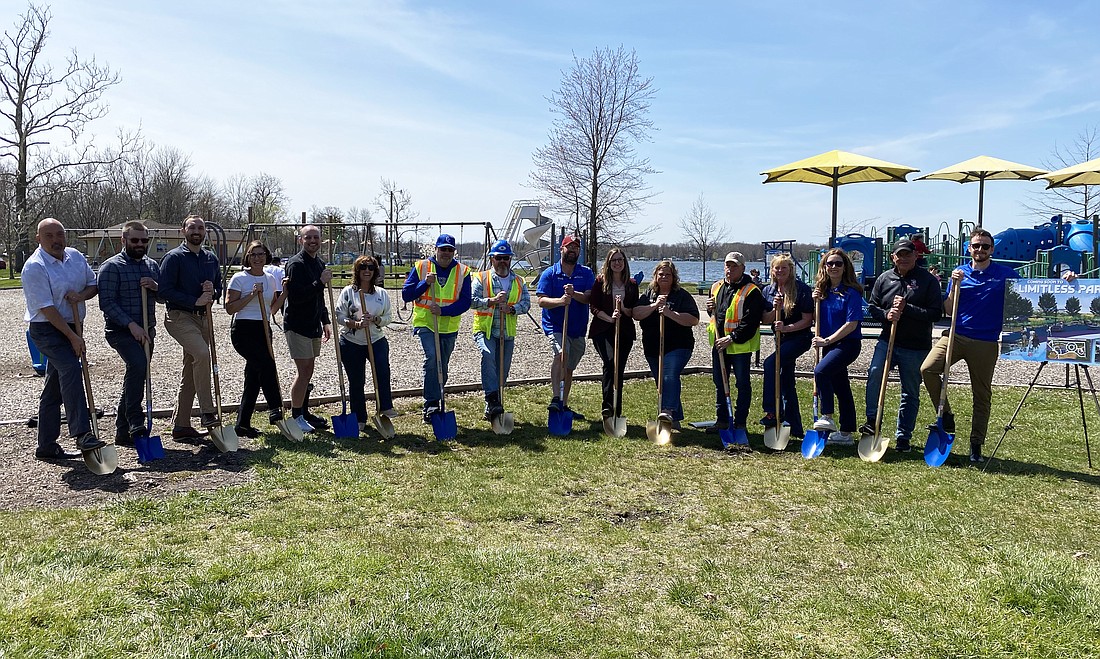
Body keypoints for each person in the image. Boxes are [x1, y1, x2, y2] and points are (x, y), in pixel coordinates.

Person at [919, 228, 1076, 463]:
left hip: (986, 341)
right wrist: (954, 286)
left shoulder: (1005, 274)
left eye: (984, 246)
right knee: (927, 369)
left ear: (992, 249)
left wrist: (1062, 281)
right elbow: (949, 310)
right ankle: (947, 415)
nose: (980, 250)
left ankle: (976, 445)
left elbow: (1034, 289)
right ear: (969, 249)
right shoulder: (959, 273)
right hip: (956, 335)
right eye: (976, 246)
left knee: (981, 394)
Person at [22, 218, 102, 459]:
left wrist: (80, 296)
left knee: (53, 389)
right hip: (46, 328)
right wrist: (72, 338)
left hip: (73, 323)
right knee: (70, 368)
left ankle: (46, 446)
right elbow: (46, 309)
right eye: (49, 236)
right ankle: (82, 433)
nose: (56, 240)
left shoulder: (76, 257)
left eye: (60, 234)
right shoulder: (34, 267)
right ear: (38, 239)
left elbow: (93, 285)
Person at [862, 238, 942, 453]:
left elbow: (936, 313)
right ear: (893, 257)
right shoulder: (884, 278)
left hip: (915, 346)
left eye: (908, 254)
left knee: (910, 392)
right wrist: (887, 315)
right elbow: (872, 306)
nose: (904, 258)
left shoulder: (928, 281)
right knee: (875, 375)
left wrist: (907, 309)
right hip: (888, 340)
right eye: (900, 254)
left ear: (916, 256)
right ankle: (872, 421)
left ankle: (903, 436)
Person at [97, 220, 160, 448]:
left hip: (147, 330)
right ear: (123, 240)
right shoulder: (112, 267)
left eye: (144, 240)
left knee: (137, 373)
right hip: (121, 331)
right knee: (138, 365)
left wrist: (155, 286)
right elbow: (107, 303)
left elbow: (162, 297)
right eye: (135, 240)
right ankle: (136, 421)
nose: (140, 244)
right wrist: (131, 325)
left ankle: (122, 431)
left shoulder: (151, 266)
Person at [159, 215, 222, 439]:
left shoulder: (210, 259)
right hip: (179, 317)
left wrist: (212, 291)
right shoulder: (173, 258)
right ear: (182, 231)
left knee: (192, 368)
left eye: (201, 228)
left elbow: (219, 289)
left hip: (203, 319)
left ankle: (181, 425)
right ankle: (207, 411)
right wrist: (193, 300)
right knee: (203, 355)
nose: (197, 231)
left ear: (205, 232)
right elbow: (163, 291)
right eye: (192, 227)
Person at [402, 234, 472, 423]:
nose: (446, 253)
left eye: (450, 250)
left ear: (454, 252)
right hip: (426, 323)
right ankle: (431, 403)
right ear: (436, 249)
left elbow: (466, 302)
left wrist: (444, 310)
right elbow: (407, 295)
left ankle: (438, 398)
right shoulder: (421, 267)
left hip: (448, 326)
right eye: (443, 249)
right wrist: (425, 283)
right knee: (432, 358)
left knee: (442, 365)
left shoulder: (463, 271)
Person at [224, 240, 285, 438]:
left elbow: (272, 309)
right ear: (248, 258)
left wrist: (285, 293)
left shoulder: (271, 278)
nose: (257, 258)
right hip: (243, 330)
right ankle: (275, 407)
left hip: (263, 328)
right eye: (253, 254)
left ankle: (242, 423)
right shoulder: (239, 278)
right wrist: (251, 294)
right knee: (266, 364)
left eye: (260, 254)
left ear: (266, 256)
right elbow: (230, 308)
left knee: (253, 377)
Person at [706, 252, 765, 443]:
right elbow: (718, 314)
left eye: (734, 266)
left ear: (742, 268)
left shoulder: (752, 291)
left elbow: (751, 321)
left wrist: (731, 338)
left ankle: (739, 422)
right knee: (719, 382)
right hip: (719, 344)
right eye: (727, 265)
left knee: (742, 384)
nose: (729, 270)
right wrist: (709, 308)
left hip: (740, 346)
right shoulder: (716, 287)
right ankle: (722, 420)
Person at [633, 260, 700, 429]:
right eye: (660, 274)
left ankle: (668, 411)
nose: (664, 277)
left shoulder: (681, 295)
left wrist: (670, 313)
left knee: (669, 376)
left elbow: (693, 319)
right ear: (655, 276)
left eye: (667, 274)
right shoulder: (648, 294)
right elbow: (636, 313)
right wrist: (655, 305)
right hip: (653, 347)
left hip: (678, 345)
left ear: (673, 277)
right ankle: (674, 419)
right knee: (662, 382)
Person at [471, 240, 531, 420]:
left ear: (511, 259)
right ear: (491, 260)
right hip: (485, 329)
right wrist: (492, 301)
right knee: (488, 356)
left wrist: (512, 309)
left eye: (506, 258)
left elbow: (526, 304)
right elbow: (472, 301)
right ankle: (491, 398)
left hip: (507, 333)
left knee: (502, 371)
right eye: (499, 258)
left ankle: (493, 407)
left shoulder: (519, 281)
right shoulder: (481, 278)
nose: (502, 262)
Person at [336, 254, 396, 433]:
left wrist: (376, 319)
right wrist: (355, 324)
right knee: (356, 380)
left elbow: (388, 317)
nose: (367, 271)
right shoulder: (348, 292)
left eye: (370, 267)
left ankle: (384, 406)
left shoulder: (381, 294)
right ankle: (359, 416)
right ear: (357, 271)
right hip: (351, 341)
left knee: (382, 372)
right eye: (363, 267)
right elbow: (340, 316)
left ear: (375, 271)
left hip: (376, 339)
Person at [536, 235, 595, 418]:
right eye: (569, 247)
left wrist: (573, 294)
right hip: (555, 325)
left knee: (569, 367)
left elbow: (588, 298)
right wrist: (560, 301)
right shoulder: (550, 274)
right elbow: (541, 300)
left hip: (577, 328)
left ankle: (564, 403)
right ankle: (555, 398)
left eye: (576, 248)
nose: (573, 250)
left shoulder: (586, 273)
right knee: (561, 354)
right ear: (561, 249)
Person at [809, 249, 863, 446]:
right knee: (841, 387)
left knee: (820, 372)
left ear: (845, 267)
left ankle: (827, 416)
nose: (833, 267)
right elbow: (817, 320)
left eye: (838, 263)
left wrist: (828, 341)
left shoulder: (852, 292)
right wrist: (815, 301)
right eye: (829, 263)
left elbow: (852, 324)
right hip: (828, 344)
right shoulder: (822, 292)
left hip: (847, 344)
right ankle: (846, 433)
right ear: (824, 266)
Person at [283, 224, 333, 433]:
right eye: (308, 237)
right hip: (297, 325)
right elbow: (297, 297)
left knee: (308, 371)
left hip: (313, 324)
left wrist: (325, 320)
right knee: (303, 371)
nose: (313, 241)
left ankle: (303, 411)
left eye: (316, 237)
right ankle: (296, 416)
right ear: (300, 240)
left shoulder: (319, 262)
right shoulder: (296, 264)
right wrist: (319, 283)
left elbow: (319, 299)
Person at [759, 253, 814, 439]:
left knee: (769, 364)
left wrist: (787, 327)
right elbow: (766, 319)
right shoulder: (768, 291)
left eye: (784, 267)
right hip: (780, 340)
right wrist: (776, 309)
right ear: (772, 270)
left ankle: (771, 411)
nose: (780, 270)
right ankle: (795, 427)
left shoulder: (801, 289)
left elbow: (808, 320)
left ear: (791, 270)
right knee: (786, 381)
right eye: (777, 267)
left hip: (800, 338)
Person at [588, 248, 639, 421]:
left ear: (624, 263)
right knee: (610, 363)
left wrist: (623, 308)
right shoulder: (600, 282)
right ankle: (607, 407)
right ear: (608, 264)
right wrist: (610, 318)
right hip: (602, 329)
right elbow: (593, 307)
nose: (617, 263)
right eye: (614, 260)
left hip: (624, 330)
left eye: (620, 260)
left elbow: (634, 311)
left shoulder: (631, 285)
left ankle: (617, 409)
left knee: (619, 368)